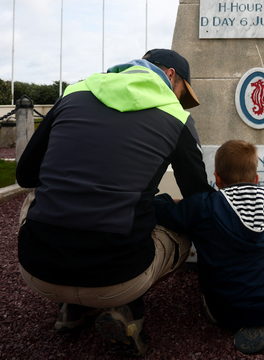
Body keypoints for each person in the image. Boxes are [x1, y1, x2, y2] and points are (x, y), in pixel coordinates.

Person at [16, 49, 214, 357]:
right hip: (119, 279)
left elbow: (26, 174)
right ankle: (127, 313)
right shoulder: (177, 117)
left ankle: (72, 309)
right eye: (181, 93)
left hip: (36, 270)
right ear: (171, 76)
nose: (180, 100)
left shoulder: (75, 92)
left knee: (38, 196)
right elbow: (199, 199)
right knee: (180, 226)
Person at [154, 140, 264, 355]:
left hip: (219, 309)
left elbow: (162, 211)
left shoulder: (202, 206)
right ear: (256, 180)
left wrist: (168, 200)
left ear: (217, 179)